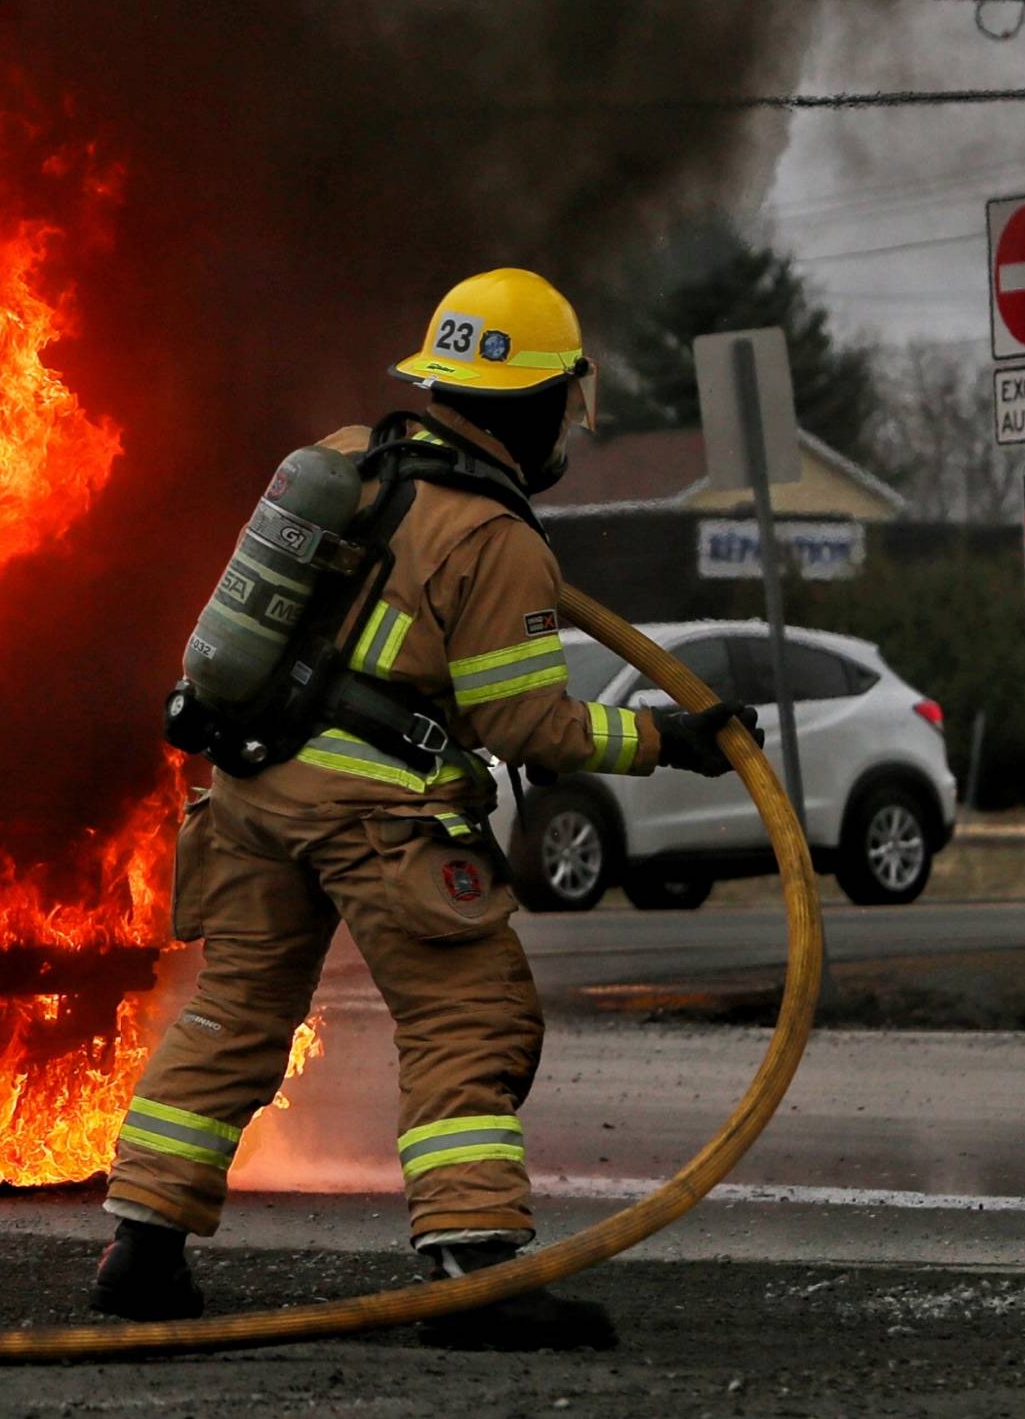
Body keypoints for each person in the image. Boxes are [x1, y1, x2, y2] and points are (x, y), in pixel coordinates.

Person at [93, 267, 760, 1349]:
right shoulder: (497, 537)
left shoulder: (352, 463)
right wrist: (660, 739)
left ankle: (142, 1242)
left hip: (251, 788)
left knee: (237, 1010)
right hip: (374, 812)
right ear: (544, 401)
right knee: (468, 1015)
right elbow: (527, 723)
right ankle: (469, 1266)